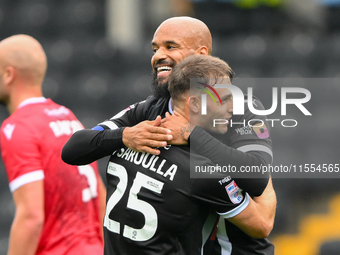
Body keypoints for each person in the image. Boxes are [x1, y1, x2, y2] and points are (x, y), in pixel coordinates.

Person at [62, 16, 276, 254]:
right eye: (155, 49)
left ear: (201, 54)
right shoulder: (151, 108)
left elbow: (258, 176)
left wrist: (192, 135)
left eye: (170, 46)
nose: (158, 56)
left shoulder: (241, 110)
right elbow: (73, 149)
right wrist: (124, 136)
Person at [103, 54, 273, 254]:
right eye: (225, 99)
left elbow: (74, 150)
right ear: (194, 104)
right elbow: (262, 225)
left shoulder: (127, 141)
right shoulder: (205, 170)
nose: (233, 108)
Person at [0, 34, 106, 255]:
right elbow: (100, 195)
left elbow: (31, 217)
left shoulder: (18, 127)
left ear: (9, 75)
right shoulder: (68, 117)